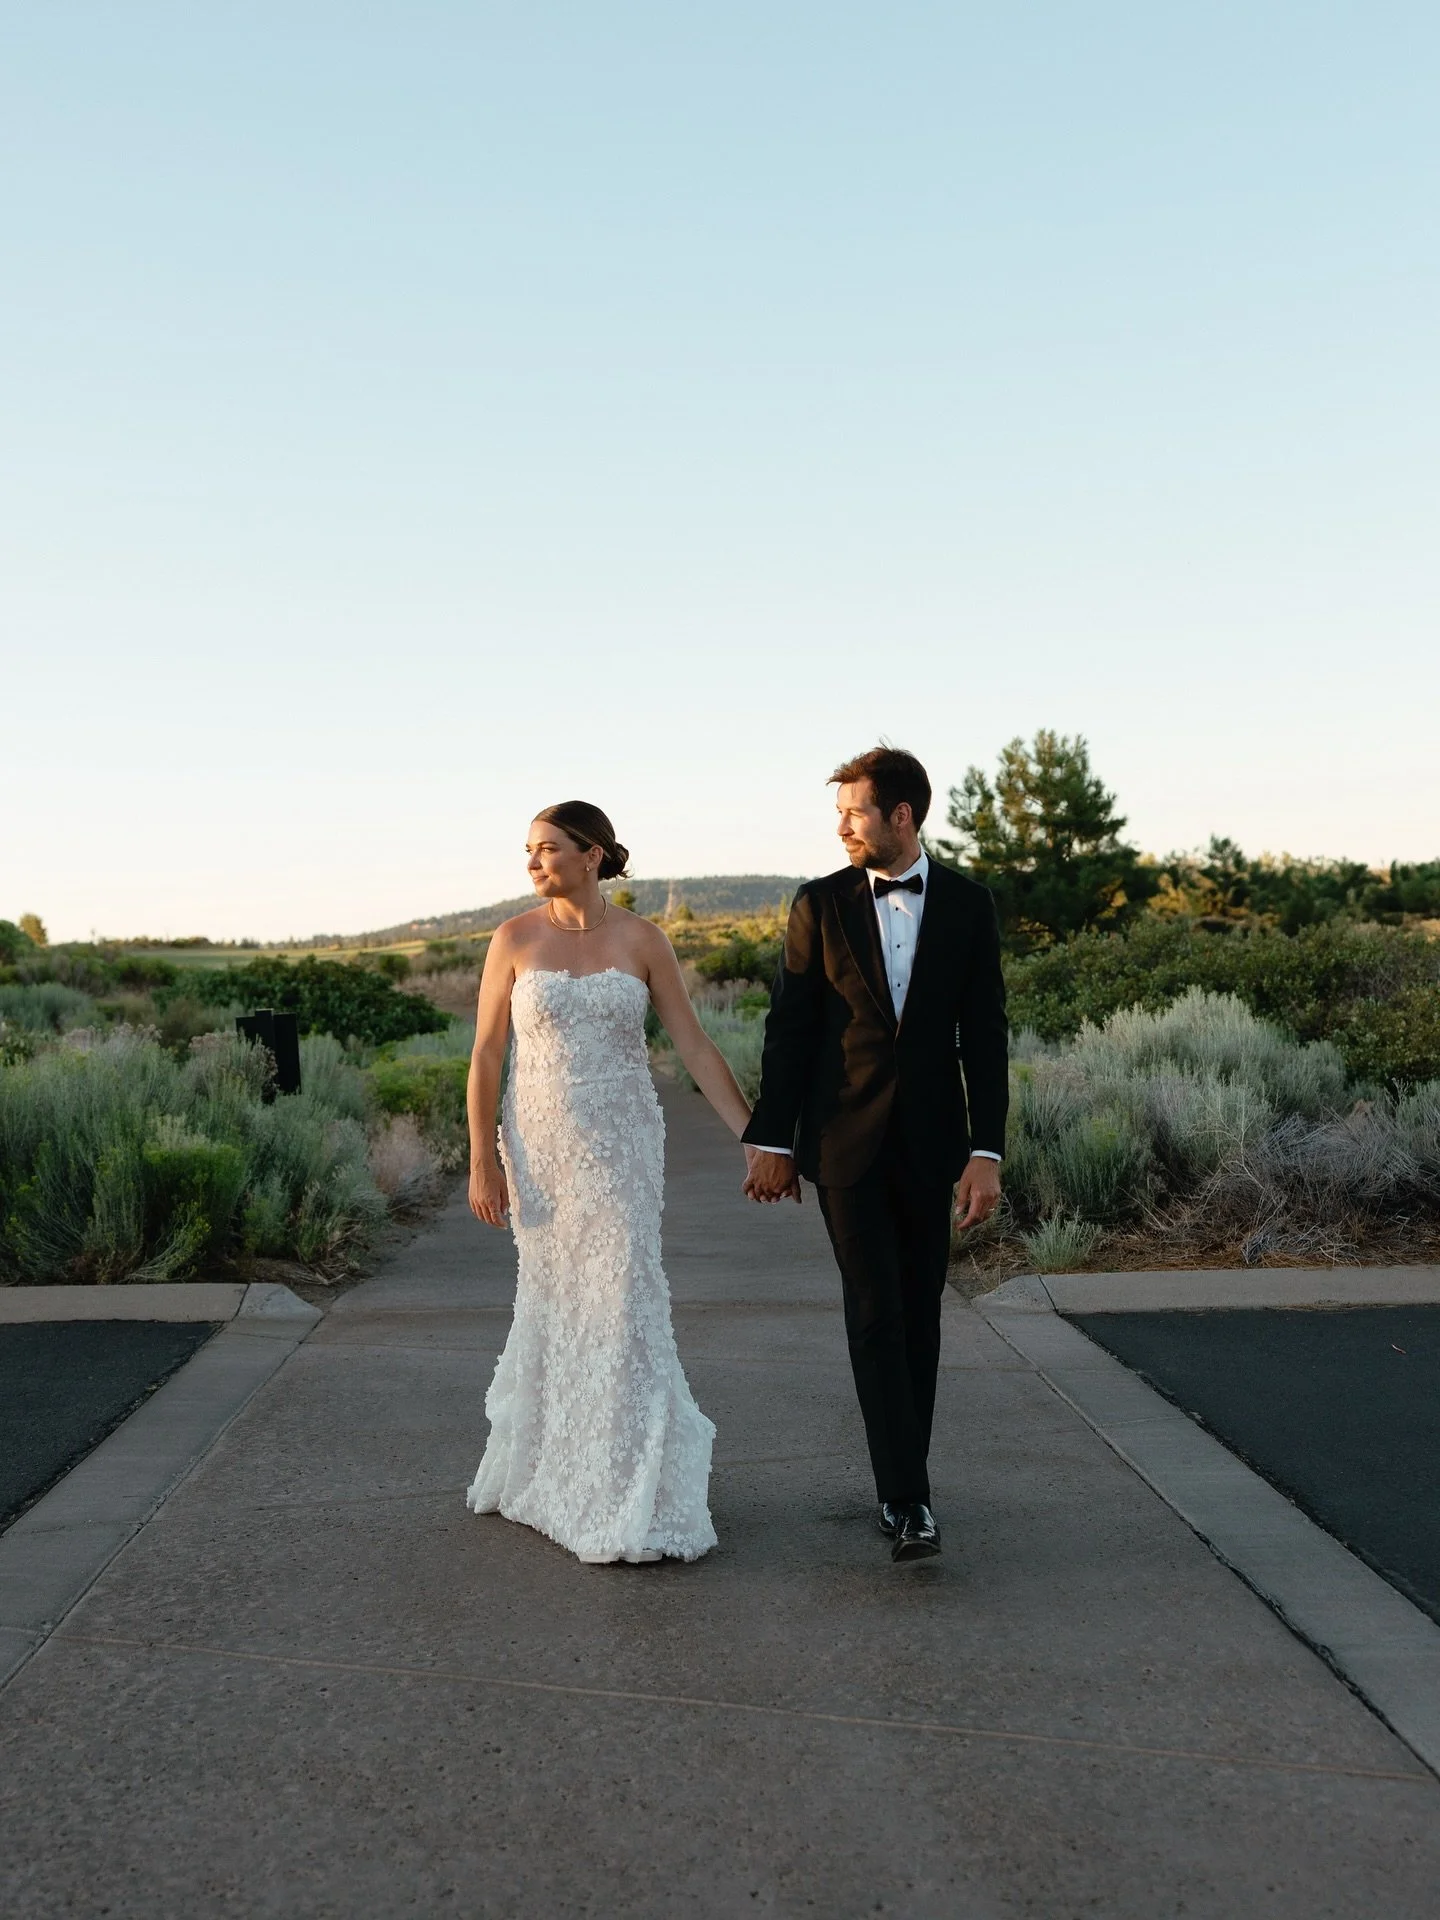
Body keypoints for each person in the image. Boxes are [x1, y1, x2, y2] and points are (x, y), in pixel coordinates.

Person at [465, 801, 754, 1564]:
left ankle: (628, 1481)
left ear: (592, 856)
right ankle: (553, 1471)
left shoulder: (643, 940)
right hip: (540, 1152)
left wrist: (755, 1138)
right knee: (559, 1302)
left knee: (624, 1299)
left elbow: (692, 1044)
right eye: (528, 850)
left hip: (625, 1147)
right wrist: (482, 1159)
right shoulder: (513, 939)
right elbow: (487, 1056)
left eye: (549, 849)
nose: (533, 862)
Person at [742, 747, 1008, 1562]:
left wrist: (986, 1151)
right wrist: (773, 1140)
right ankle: (907, 1499)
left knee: (919, 1315)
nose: (841, 825)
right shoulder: (817, 904)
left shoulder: (967, 903)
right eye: (840, 812)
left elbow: (984, 1036)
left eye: (855, 811)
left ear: (902, 815)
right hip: (842, 1144)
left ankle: (906, 1483)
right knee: (874, 1313)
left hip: (933, 1146)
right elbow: (789, 1031)